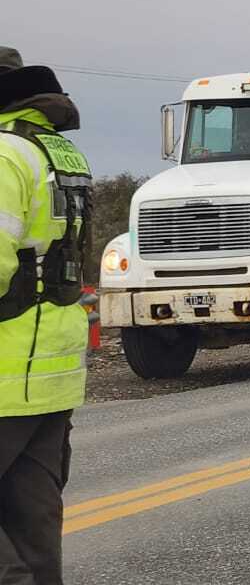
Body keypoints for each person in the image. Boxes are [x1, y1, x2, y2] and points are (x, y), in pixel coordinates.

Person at [0, 47, 92, 585]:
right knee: (33, 520)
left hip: (6, 364)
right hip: (49, 370)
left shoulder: (5, 154)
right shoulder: (57, 151)